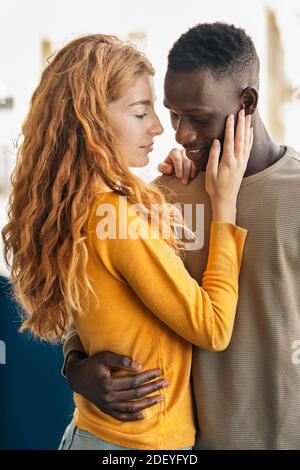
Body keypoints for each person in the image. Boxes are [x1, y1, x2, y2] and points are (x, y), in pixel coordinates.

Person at [1, 33, 252, 451]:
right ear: (92, 122)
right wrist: (224, 206)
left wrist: (169, 183)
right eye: (140, 113)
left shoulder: (84, 206)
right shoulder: (116, 217)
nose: (158, 127)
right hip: (135, 448)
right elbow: (212, 328)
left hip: (96, 436)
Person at [63, 23, 300, 450]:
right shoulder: (162, 195)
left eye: (198, 118)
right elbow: (102, 301)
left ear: (246, 102)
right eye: (172, 113)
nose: (181, 134)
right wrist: (75, 362)